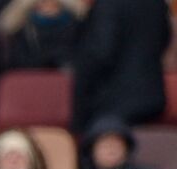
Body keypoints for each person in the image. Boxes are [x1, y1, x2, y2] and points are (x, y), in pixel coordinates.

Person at [71, 0, 170, 132]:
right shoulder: (156, 3)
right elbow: (164, 39)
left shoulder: (108, 4)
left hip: (112, 100)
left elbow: (101, 52)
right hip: (152, 96)